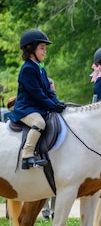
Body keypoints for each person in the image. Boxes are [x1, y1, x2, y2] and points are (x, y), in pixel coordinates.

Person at [8, 29, 66, 170]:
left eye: (44, 48)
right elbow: (37, 94)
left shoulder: (40, 68)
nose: (44, 51)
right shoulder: (28, 69)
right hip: (26, 109)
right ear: (31, 49)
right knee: (39, 123)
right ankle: (27, 154)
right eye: (42, 48)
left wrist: (57, 102)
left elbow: (47, 90)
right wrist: (51, 106)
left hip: (36, 107)